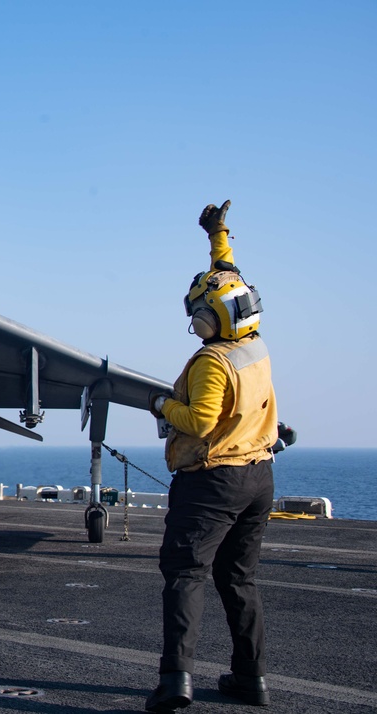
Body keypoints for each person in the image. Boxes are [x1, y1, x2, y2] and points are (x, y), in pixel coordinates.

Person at [145, 201, 277, 712]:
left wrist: (162, 404)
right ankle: (252, 680)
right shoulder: (257, 345)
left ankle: (175, 680)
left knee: (185, 574)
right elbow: (230, 277)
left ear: (209, 316)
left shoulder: (212, 362)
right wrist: (218, 234)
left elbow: (199, 422)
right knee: (239, 579)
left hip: (212, 482)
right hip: (259, 476)